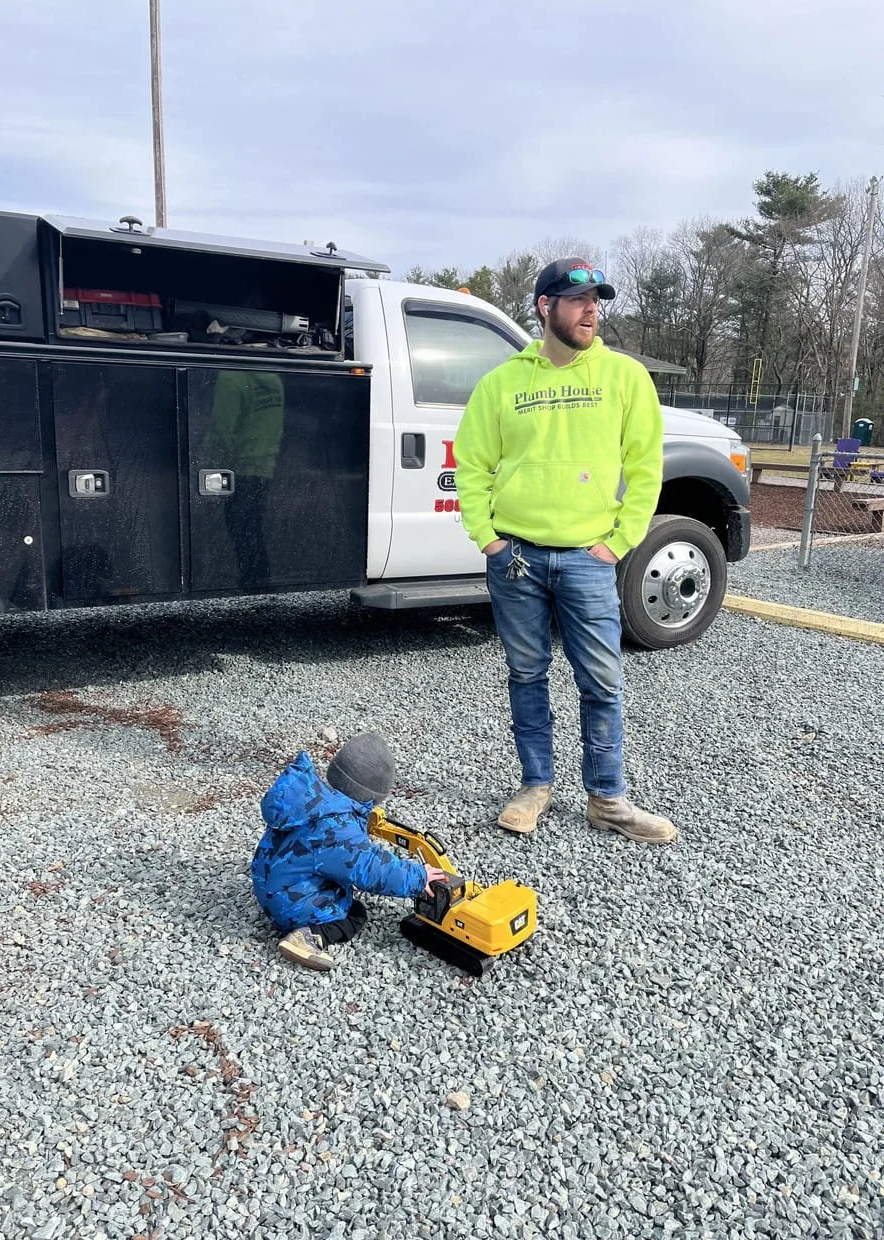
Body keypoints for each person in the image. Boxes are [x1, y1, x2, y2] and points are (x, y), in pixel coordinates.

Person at [453, 257, 677, 844]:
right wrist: (488, 539)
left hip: (587, 558)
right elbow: (471, 465)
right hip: (516, 559)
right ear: (545, 306)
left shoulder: (625, 377)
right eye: (578, 300)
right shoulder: (502, 383)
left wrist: (618, 543)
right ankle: (535, 787)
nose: (591, 311)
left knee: (601, 681)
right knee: (526, 674)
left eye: (596, 300)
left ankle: (607, 799)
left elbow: (645, 469)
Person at [251, 733, 446, 971]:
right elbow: (372, 868)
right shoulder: (339, 829)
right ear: (371, 795)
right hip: (289, 907)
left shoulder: (311, 802)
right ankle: (307, 937)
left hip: (267, 883)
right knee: (355, 913)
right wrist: (418, 877)